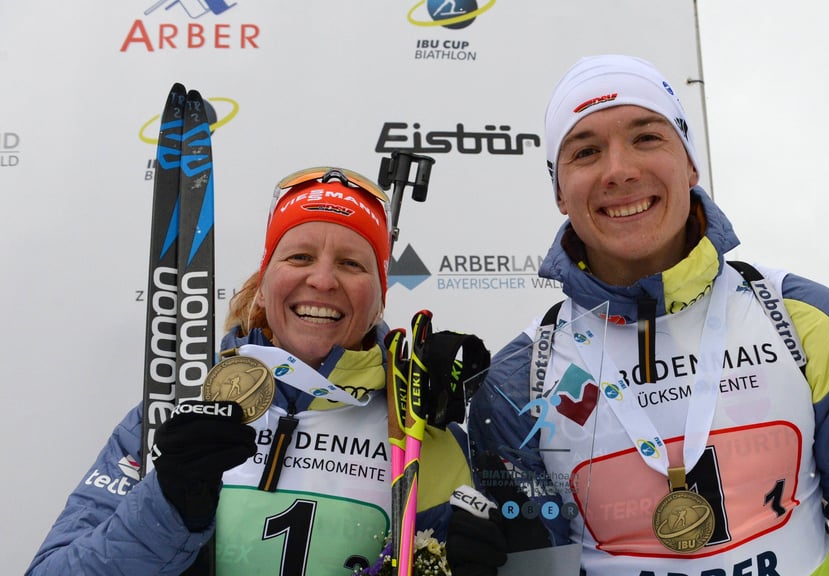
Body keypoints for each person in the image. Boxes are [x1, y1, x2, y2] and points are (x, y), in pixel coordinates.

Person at [466, 55, 829, 575]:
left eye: (647, 137)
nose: (619, 170)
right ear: (559, 192)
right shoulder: (519, 381)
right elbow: (533, 565)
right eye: (586, 151)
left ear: (690, 165)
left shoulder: (802, 319)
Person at [27, 166, 496, 575]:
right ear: (265, 281)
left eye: (352, 263)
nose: (322, 280)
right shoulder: (175, 413)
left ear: (380, 297)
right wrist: (166, 507)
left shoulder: (415, 432)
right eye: (300, 256)